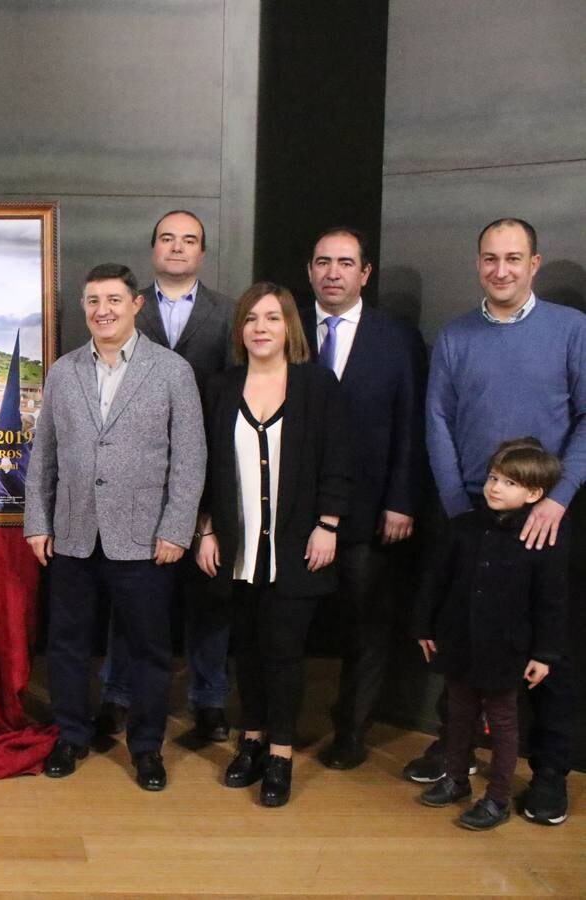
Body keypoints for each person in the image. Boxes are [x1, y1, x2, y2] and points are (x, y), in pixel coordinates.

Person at [411, 217, 585, 825]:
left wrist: (558, 497)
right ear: (478, 263)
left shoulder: (571, 330)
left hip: (545, 522)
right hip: (468, 516)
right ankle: (454, 752)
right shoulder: (457, 336)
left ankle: (550, 772)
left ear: (534, 263)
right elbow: (436, 421)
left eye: (514, 258)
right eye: (490, 258)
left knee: (544, 649)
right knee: (462, 639)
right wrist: (459, 509)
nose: (501, 269)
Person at [25, 263, 205, 791]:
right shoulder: (63, 371)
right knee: (66, 646)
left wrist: (177, 529)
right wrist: (39, 522)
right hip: (74, 535)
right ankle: (71, 735)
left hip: (146, 539)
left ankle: (146, 748)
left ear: (136, 305)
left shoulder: (172, 371)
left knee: (149, 651)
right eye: (92, 301)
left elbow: (190, 459)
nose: (102, 310)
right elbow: (44, 459)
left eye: (113, 300)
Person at [195, 283, 350, 808]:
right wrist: (206, 530)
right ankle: (252, 740)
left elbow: (338, 458)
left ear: (290, 327)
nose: (261, 327)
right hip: (236, 550)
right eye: (251, 319)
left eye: (272, 318)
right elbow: (207, 468)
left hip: (297, 549)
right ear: (240, 329)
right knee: (247, 652)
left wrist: (328, 524)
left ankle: (281, 754)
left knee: (284, 653)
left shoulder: (317, 386)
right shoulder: (220, 388)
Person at [98, 209, 237, 742]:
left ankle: (209, 699)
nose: (178, 248)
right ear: (153, 249)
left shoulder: (229, 313)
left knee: (209, 595)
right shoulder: (125, 310)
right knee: (130, 595)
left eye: (190, 241)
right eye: (167, 239)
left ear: (202, 253)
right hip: (133, 475)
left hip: (211, 470)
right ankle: (117, 694)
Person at [298, 227, 427, 771]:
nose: (333, 272)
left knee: (366, 627)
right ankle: (276, 725)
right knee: (286, 623)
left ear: (364, 273)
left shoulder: (398, 338)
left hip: (373, 512)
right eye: (323, 261)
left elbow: (412, 424)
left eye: (345, 263)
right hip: (293, 511)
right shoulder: (283, 327)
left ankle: (351, 730)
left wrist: (403, 499)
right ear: (310, 270)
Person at [414, 438, 568, 830]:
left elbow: (551, 602)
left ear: (535, 493)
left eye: (510, 483)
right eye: (494, 477)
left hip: (506, 651)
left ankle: (496, 799)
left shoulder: (542, 540)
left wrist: (544, 654)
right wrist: (424, 626)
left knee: (502, 725)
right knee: (458, 714)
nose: (495, 487)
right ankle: (455, 779)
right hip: (459, 641)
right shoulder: (463, 527)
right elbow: (435, 580)